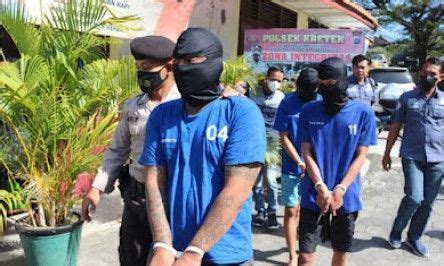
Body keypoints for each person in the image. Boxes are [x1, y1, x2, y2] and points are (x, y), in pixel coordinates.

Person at [139, 27, 266, 266]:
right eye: (177, 61)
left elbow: (237, 190)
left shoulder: (241, 113)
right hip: (172, 252)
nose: (182, 68)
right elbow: (154, 182)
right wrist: (162, 244)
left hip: (226, 257)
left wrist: (195, 251)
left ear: (214, 63)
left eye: (191, 60)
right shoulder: (162, 115)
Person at [80, 35, 180, 266]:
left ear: (169, 67)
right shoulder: (133, 106)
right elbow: (117, 150)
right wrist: (97, 189)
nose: (141, 74)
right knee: (131, 258)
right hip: (137, 198)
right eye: (138, 68)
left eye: (147, 67)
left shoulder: (186, 104)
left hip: (173, 199)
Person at [297, 57, 377, 266]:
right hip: (313, 193)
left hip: (346, 195)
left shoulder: (363, 113)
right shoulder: (309, 111)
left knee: (340, 252)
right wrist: (320, 187)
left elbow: (361, 155)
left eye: (329, 84)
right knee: (305, 256)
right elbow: (307, 153)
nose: (324, 89)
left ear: (342, 81)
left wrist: (340, 189)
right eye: (320, 85)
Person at [383, 57, 443, 257]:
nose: (428, 76)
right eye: (425, 72)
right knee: (414, 197)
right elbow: (395, 127)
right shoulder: (407, 98)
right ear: (419, 73)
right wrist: (387, 154)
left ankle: (414, 237)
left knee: (427, 203)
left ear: (441, 77)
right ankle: (397, 229)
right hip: (412, 156)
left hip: (438, 159)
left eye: (433, 74)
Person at [273, 68, 320, 265]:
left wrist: (311, 164)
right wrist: (300, 162)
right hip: (293, 166)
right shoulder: (288, 102)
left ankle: (304, 248)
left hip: (316, 168)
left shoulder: (320, 102)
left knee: (307, 210)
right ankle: (293, 255)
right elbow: (284, 137)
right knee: (292, 210)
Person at [250, 65, 285, 229]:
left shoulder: (281, 97)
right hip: (254, 141)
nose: (276, 83)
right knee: (255, 182)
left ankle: (272, 212)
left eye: (279, 81)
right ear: (266, 78)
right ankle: (260, 211)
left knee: (271, 180)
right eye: (273, 79)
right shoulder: (253, 93)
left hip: (271, 143)